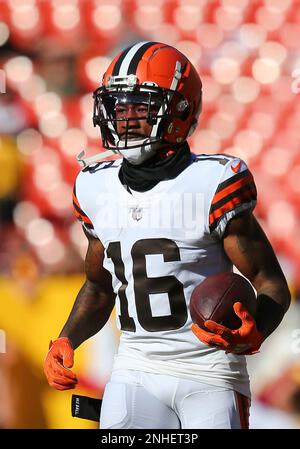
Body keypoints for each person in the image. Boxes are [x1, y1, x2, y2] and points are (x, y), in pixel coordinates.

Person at [43, 41, 291, 429]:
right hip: (134, 367)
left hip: (209, 372)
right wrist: (65, 340)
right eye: (118, 108)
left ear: (179, 110)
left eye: (140, 108)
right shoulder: (95, 187)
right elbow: (99, 286)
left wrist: (255, 328)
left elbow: (271, 283)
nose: (125, 120)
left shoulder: (212, 182)